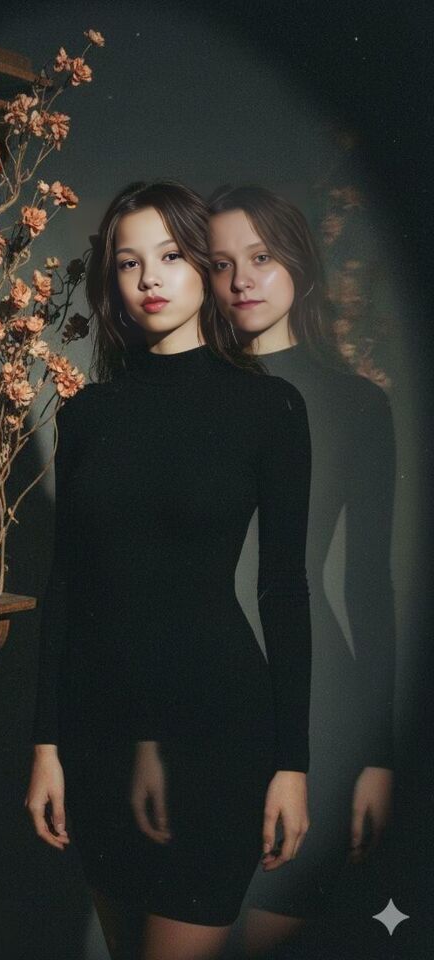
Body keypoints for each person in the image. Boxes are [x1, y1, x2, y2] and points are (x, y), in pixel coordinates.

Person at [25, 180, 313, 960]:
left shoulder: (270, 409)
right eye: (129, 263)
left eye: (171, 256)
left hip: (215, 734)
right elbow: (66, 587)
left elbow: (284, 590)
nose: (149, 278)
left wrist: (293, 766)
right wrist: (46, 748)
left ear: (204, 268)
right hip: (100, 734)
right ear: (112, 281)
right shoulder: (85, 415)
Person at [207, 185, 396, 957]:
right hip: (201, 695)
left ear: (299, 263)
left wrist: (378, 755)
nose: (242, 280)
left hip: (320, 703)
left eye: (261, 257)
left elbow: (367, 587)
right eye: (221, 263)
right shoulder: (189, 392)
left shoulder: (357, 405)